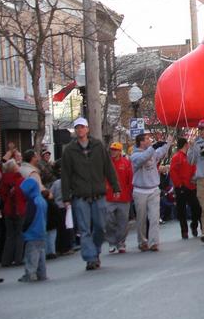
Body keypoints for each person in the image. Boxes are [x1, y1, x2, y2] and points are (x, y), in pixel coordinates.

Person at [61, 116, 120, 271]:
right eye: (77, 128)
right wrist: (66, 197)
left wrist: (116, 187)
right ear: (75, 131)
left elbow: (108, 167)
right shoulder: (69, 150)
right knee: (84, 229)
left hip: (98, 194)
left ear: (87, 129)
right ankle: (90, 258)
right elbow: (65, 175)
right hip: (80, 196)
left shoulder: (98, 146)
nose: (80, 130)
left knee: (100, 227)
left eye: (82, 127)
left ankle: (96, 251)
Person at [130, 132, 174, 251]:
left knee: (155, 217)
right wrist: (153, 148)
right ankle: (143, 241)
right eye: (147, 139)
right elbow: (142, 159)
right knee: (141, 218)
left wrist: (168, 142)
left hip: (154, 189)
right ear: (141, 142)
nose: (150, 140)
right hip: (140, 191)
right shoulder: (134, 155)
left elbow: (160, 152)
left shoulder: (152, 152)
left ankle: (154, 242)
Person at [169, 137, 201, 240]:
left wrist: (194, 178)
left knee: (196, 207)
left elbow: (194, 167)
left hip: (191, 186)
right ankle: (184, 231)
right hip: (181, 187)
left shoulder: (189, 156)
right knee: (181, 210)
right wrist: (179, 185)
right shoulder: (176, 157)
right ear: (185, 145)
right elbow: (173, 172)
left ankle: (194, 224)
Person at [19, 176, 48, 283]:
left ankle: (30, 274)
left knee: (31, 255)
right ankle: (42, 274)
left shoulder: (33, 202)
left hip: (32, 232)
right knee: (41, 254)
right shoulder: (42, 200)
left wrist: (23, 228)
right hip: (41, 231)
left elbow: (29, 218)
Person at [105, 143, 133, 254]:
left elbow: (130, 180)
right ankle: (111, 242)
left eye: (116, 150)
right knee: (108, 220)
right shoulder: (107, 163)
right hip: (109, 197)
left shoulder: (126, 163)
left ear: (120, 151)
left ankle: (121, 243)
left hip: (123, 197)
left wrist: (129, 193)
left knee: (123, 222)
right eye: (112, 150)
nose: (113, 152)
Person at [0, 158, 25, 267]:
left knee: (10, 236)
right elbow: (24, 195)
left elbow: (3, 196)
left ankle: (6, 260)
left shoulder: (3, 180)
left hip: (8, 209)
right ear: (15, 168)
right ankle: (18, 258)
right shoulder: (20, 179)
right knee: (19, 234)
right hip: (19, 209)